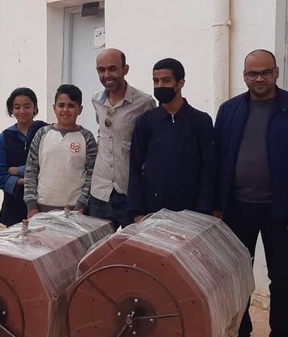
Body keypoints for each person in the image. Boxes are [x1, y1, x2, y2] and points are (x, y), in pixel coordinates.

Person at [212, 50, 288, 337]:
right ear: (244, 76)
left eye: (265, 72)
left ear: (276, 72)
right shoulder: (229, 110)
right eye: (252, 74)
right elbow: (218, 159)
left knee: (281, 278)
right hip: (236, 209)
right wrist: (217, 204)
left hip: (281, 212)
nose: (259, 79)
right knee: (236, 278)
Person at [127, 58, 214, 221]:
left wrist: (205, 210)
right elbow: (135, 168)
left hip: (191, 212)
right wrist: (137, 211)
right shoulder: (145, 122)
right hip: (153, 212)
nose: (160, 86)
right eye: (156, 81)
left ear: (180, 83)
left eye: (166, 80)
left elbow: (209, 169)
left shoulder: (200, 121)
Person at [89, 48, 157, 228]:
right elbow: (102, 134)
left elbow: (153, 144)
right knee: (98, 250)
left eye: (112, 69)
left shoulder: (144, 102)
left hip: (129, 191)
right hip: (100, 191)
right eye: (101, 70)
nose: (107, 75)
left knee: (129, 249)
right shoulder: (96, 101)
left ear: (125, 69)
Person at [24, 84, 98, 216]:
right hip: (40, 209)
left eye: (71, 105)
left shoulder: (87, 137)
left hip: (74, 210)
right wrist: (31, 205)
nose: (65, 110)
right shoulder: (42, 134)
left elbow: (92, 175)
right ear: (54, 108)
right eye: (61, 105)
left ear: (80, 109)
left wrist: (82, 204)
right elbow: (31, 170)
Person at [0, 87, 48, 226]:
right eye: (17, 107)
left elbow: (49, 167)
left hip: (44, 202)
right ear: (11, 109)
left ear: (35, 107)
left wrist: (17, 171)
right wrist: (29, 180)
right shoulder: (4, 138)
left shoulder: (46, 132)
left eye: (27, 106)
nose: (22, 111)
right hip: (13, 205)